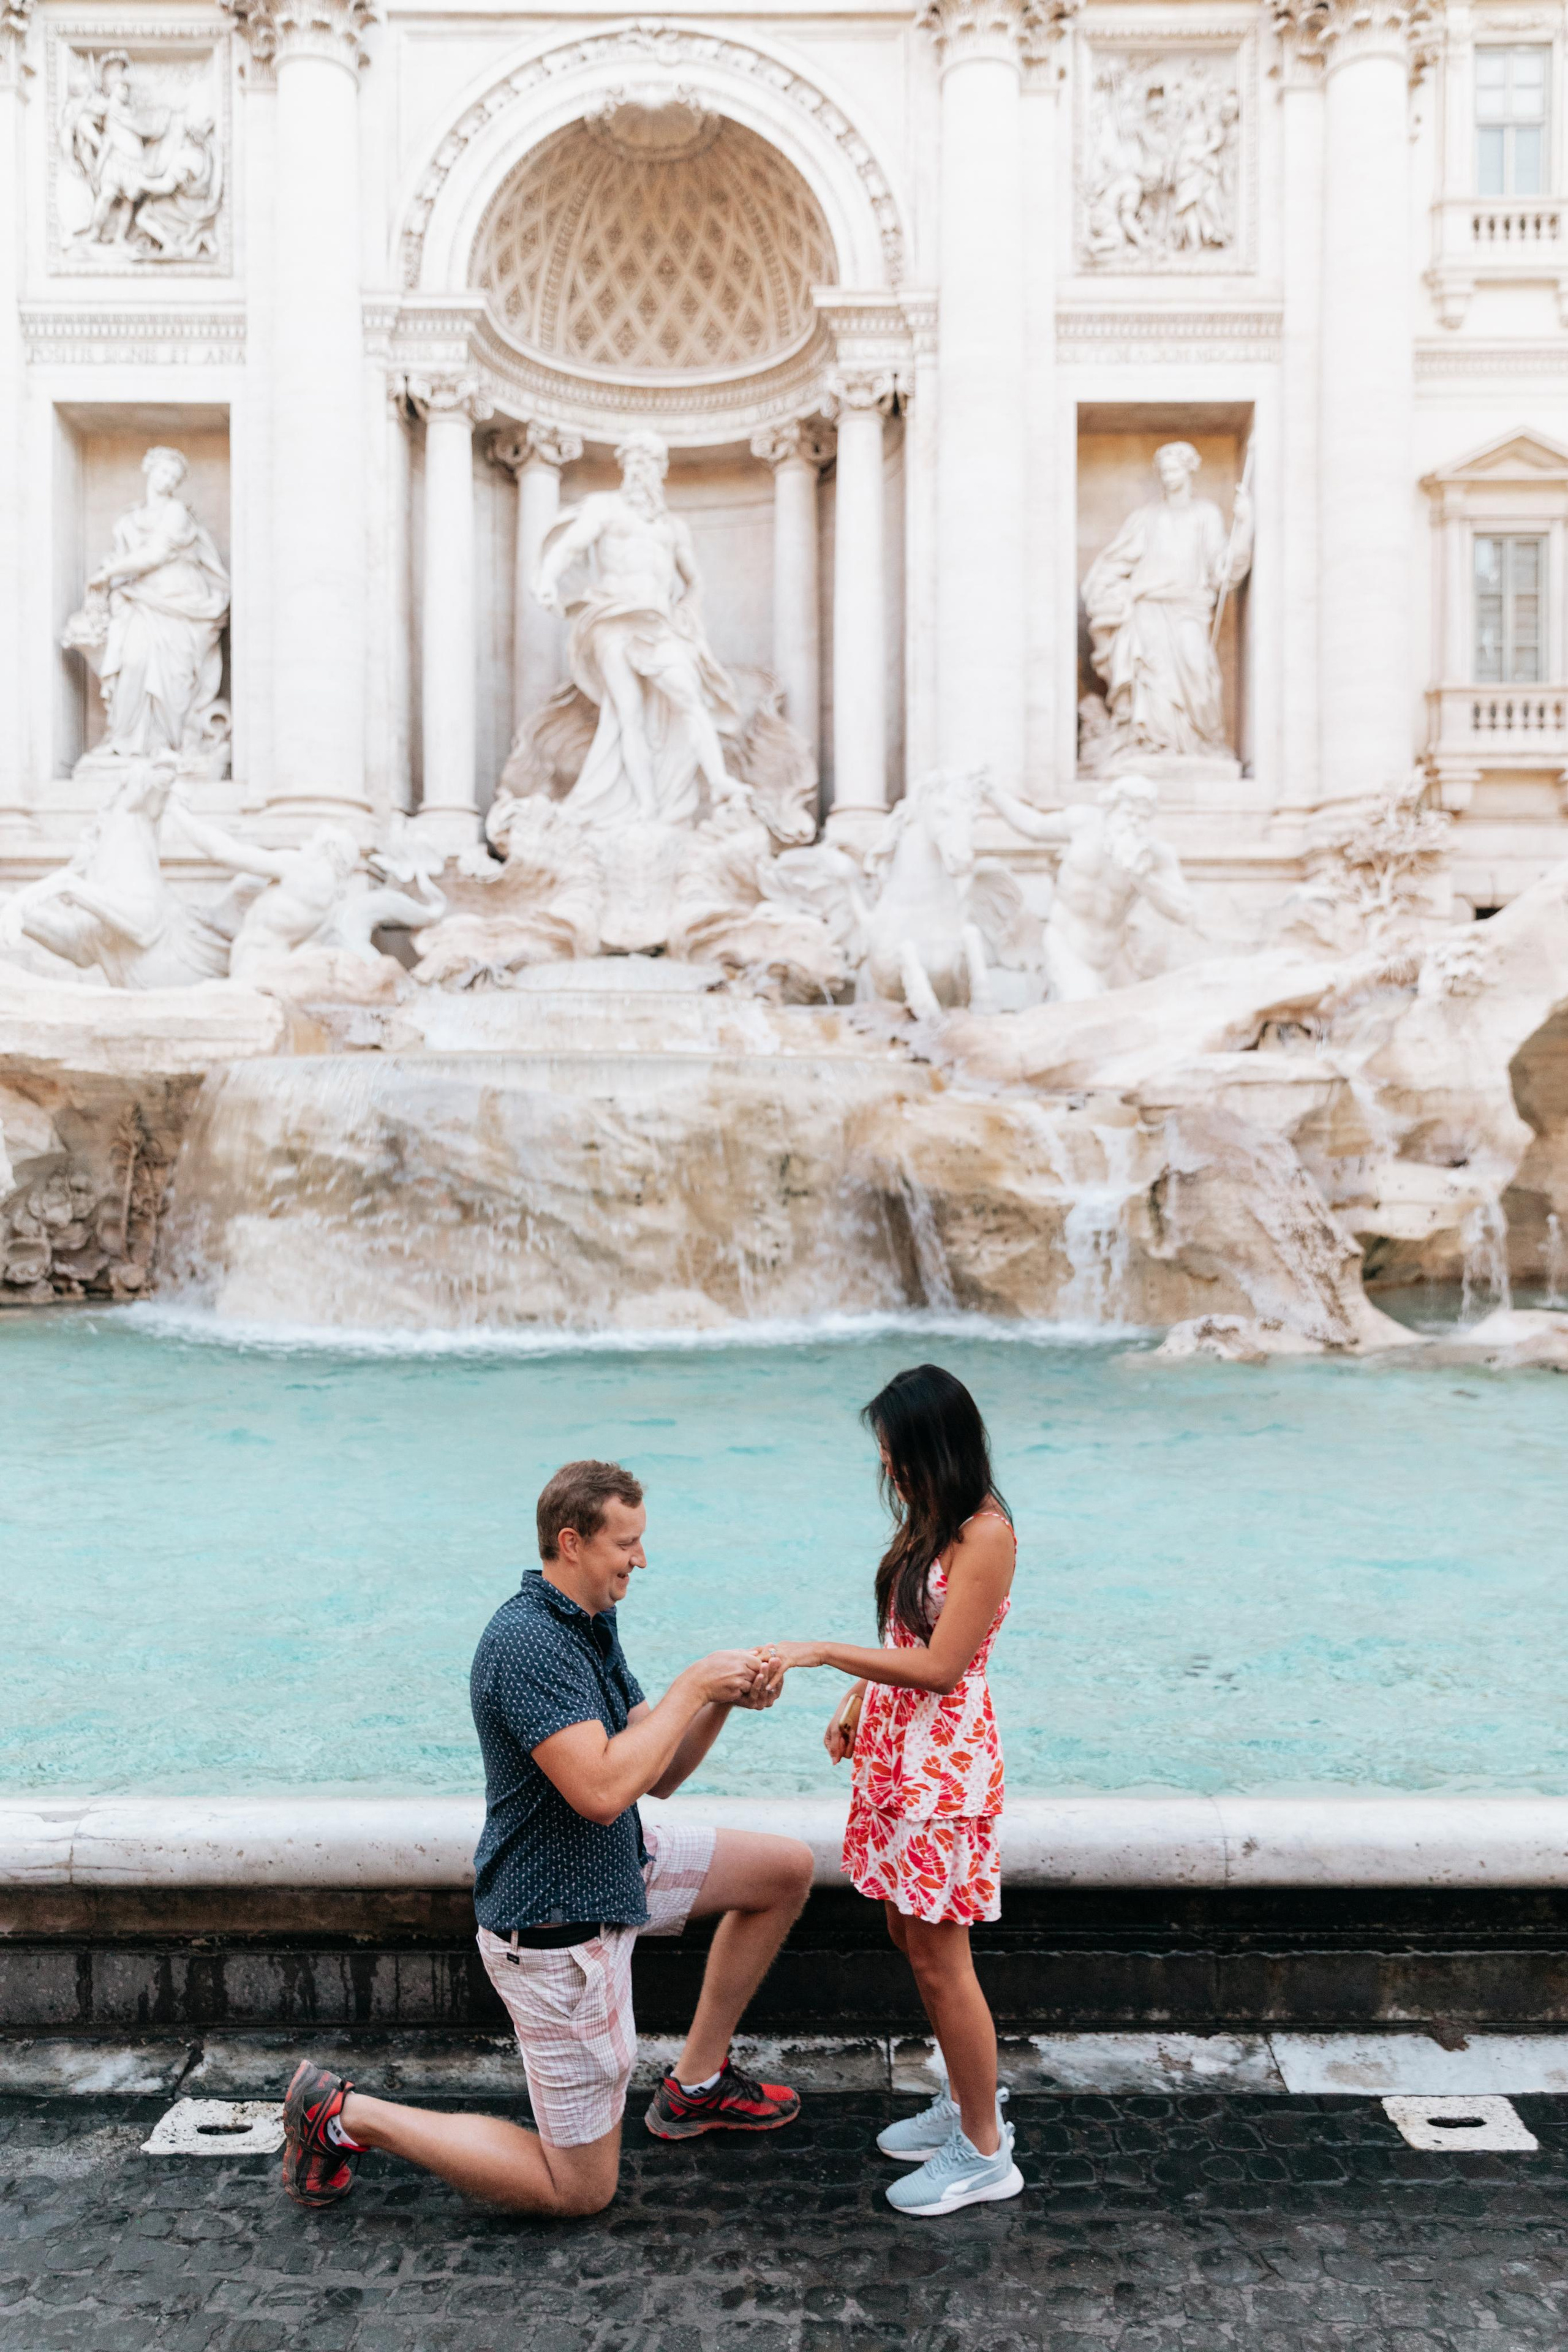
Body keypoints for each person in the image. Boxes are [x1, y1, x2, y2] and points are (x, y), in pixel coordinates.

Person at [279, 1459, 812, 2218]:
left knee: (783, 1871)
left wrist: (722, 1702)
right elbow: (598, 1793)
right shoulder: (527, 1646)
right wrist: (692, 1683)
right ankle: (341, 2113)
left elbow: (650, 1773)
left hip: (619, 1869)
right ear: (572, 1542)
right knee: (579, 2191)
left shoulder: (587, 1621)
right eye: (626, 1543)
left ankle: (694, 2087)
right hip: (558, 1929)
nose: (640, 1560)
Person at [764, 1365, 1023, 2218]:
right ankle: (965, 2101)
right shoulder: (929, 1521)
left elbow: (945, 1667)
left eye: (894, 1451)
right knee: (908, 1934)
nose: (886, 1467)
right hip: (892, 1755)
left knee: (946, 1960)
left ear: (933, 1446)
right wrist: (855, 1700)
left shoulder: (987, 1534)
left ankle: (985, 2151)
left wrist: (827, 1656)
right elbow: (905, 1638)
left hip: (942, 1771)